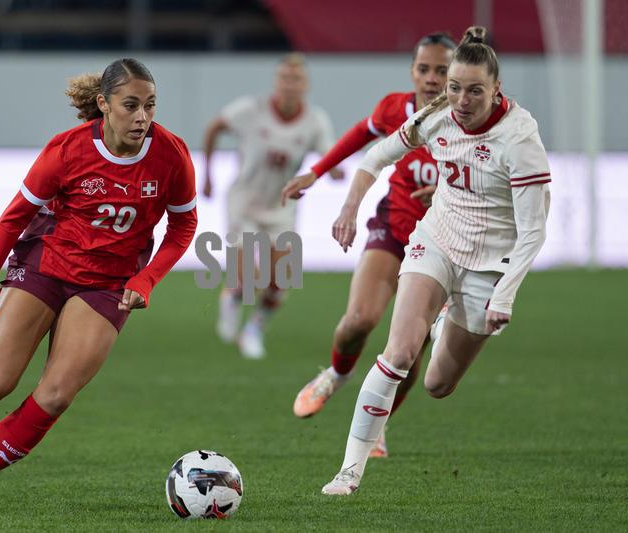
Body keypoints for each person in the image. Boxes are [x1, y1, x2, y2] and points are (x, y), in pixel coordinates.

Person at [0, 58, 198, 513]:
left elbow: (184, 224)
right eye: (131, 105)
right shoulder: (68, 149)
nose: (142, 117)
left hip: (109, 285)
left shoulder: (170, 153)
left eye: (150, 106)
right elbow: (12, 219)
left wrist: (147, 278)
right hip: (46, 268)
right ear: (104, 104)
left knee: (54, 395)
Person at [292, 26, 551, 495]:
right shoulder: (436, 117)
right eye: (454, 88)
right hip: (435, 241)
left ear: (497, 89)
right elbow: (377, 152)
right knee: (398, 352)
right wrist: (347, 202)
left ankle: (448, 318)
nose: (462, 100)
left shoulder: (520, 137)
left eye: (475, 90)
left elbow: (533, 229)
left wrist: (506, 294)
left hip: (489, 266)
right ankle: (348, 471)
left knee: (436, 384)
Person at [282, 33, 456, 459]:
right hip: (394, 230)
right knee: (359, 320)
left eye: (442, 70)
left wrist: (450, 193)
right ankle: (336, 375)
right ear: (412, 71)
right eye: (424, 68)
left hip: (446, 246)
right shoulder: (398, 108)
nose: (431, 78)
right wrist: (318, 173)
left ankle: (377, 425)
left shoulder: (470, 118)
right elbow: (363, 138)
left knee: (409, 352)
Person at [202, 53, 342, 359]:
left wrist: (336, 169)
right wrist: (208, 175)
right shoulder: (251, 110)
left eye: (297, 80)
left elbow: (330, 155)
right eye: (285, 79)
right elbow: (215, 127)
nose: (290, 85)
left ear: (305, 85)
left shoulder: (314, 120)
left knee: (280, 281)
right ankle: (233, 296)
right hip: (244, 202)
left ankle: (253, 329)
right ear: (276, 82)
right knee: (251, 275)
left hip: (281, 207)